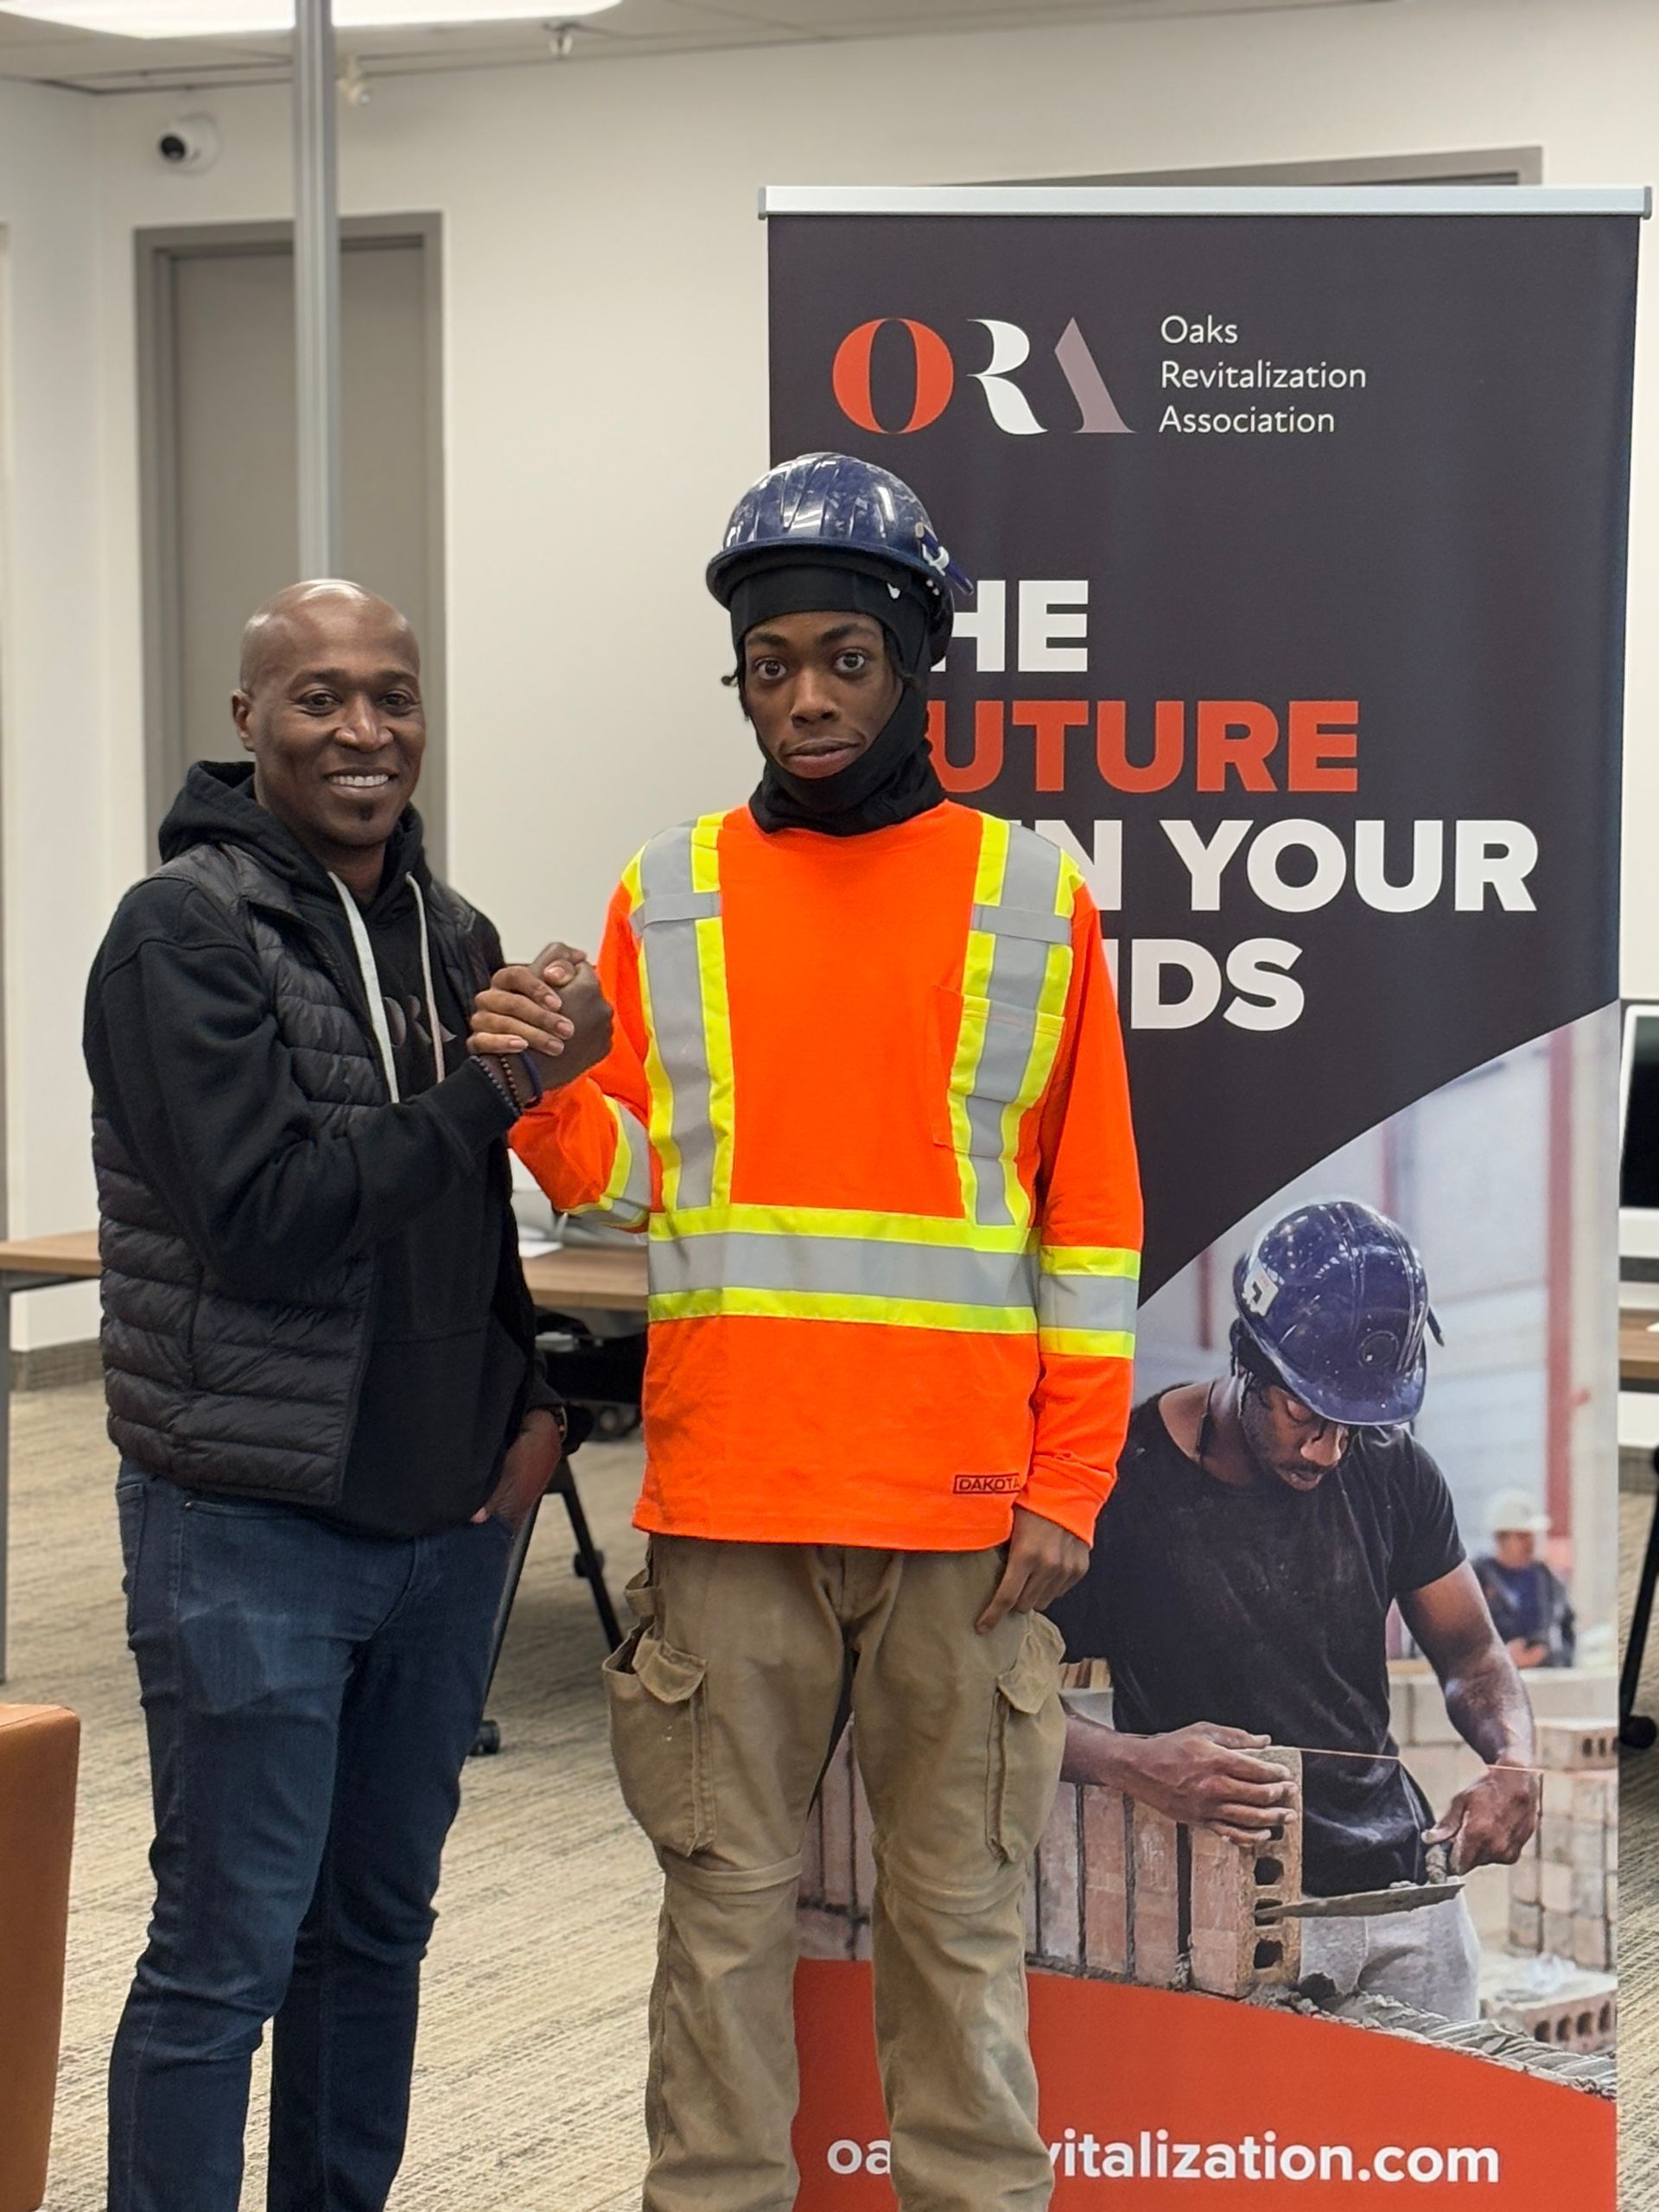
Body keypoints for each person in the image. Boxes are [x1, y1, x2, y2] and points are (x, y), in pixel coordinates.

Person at [470, 452, 1142, 2212]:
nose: (809, 695)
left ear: (919, 657)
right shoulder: (670, 888)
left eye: (845, 654)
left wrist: (1069, 1476)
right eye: (774, 664)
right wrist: (542, 1095)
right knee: (719, 1934)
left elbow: (1091, 1222)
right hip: (733, 1503)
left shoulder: (1029, 895)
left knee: (961, 1939)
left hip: (964, 1521)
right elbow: (628, 1176)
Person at [85, 581, 608, 2212]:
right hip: (251, 1520)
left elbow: (466, 1217)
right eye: (318, 700)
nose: (363, 731)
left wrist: (538, 1405)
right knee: (225, 1954)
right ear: (248, 725)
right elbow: (264, 1220)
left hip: (449, 1528)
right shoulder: (181, 929)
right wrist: (495, 1084)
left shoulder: (450, 939)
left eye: (392, 694)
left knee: (376, 1929)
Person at [1051, 1198, 1539, 2023]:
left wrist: (1515, 1759)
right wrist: (1131, 1763)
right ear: (1248, 1358)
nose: (1327, 1450)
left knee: (1429, 2147)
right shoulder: (1121, 1489)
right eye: (1304, 1413)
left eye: (1354, 1424)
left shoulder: (1391, 1470)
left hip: (1401, 1892)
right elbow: (993, 1689)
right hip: (1221, 1911)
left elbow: (1474, 1657)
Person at [1473, 1491, 1576, 1669]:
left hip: (1547, 1680)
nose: (1530, 1543)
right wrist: (1499, 1658)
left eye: (1532, 1535)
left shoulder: (1549, 1581)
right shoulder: (1476, 1579)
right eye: (1522, 1536)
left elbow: (1568, 1632)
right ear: (1500, 1538)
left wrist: (1553, 1657)